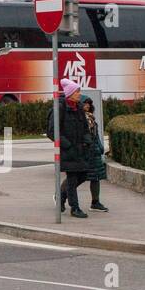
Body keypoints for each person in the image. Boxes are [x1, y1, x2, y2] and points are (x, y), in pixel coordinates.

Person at [46, 78, 92, 218]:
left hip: (80, 150)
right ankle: (75, 207)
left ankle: (60, 197)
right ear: (70, 93)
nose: (79, 94)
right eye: (77, 91)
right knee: (72, 179)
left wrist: (87, 141)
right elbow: (53, 131)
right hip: (68, 151)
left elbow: (85, 128)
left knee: (83, 175)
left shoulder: (78, 108)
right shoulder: (60, 107)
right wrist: (67, 145)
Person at [81, 95, 109, 212]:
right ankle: (61, 195)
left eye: (88, 103)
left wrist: (100, 147)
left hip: (95, 152)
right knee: (78, 178)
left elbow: (95, 135)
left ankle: (95, 202)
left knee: (96, 177)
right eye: (85, 103)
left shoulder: (91, 118)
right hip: (86, 152)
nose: (87, 106)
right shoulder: (80, 118)